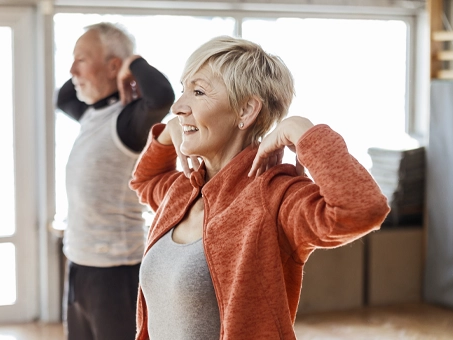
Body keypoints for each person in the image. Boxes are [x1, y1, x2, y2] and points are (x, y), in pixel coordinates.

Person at [129, 35, 390, 340]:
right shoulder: (182, 190)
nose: (177, 106)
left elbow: (361, 209)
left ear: (246, 111)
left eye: (198, 92)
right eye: (184, 89)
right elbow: (144, 181)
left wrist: (303, 131)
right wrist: (166, 136)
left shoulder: (275, 197)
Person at [56, 22, 174, 340]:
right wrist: (89, 61)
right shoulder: (90, 113)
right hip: (79, 264)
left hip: (116, 271)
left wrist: (130, 63)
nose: (71, 70)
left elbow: (162, 96)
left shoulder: (126, 120)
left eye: (81, 59)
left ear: (112, 66)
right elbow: (63, 95)